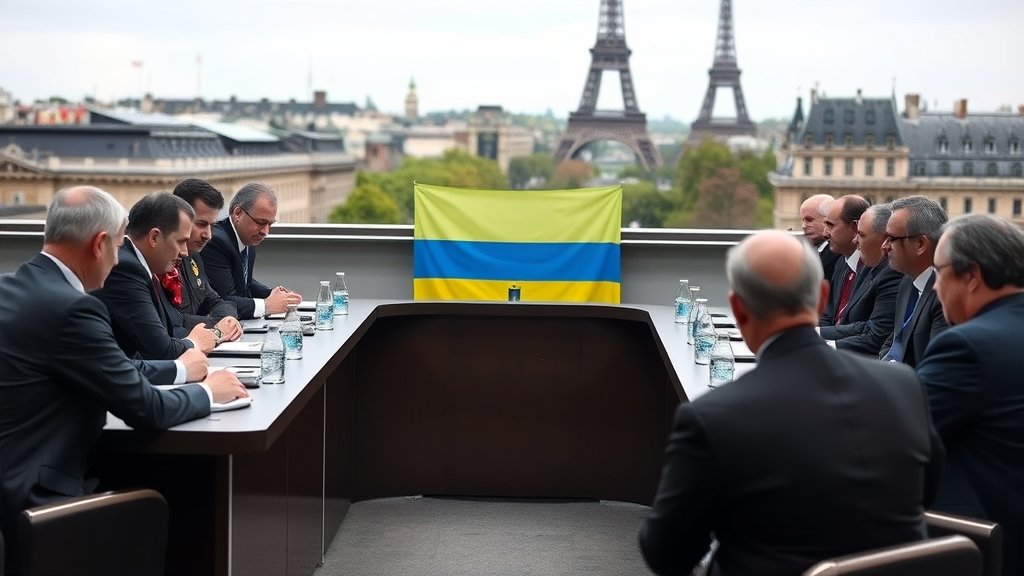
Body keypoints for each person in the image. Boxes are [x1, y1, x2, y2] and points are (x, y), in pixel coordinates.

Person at [639, 230, 943, 576]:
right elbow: (926, 494)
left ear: (738, 309)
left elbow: (666, 552)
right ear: (820, 297)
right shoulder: (905, 387)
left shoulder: (713, 417)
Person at [0, 186, 248, 576]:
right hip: (40, 496)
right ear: (99, 244)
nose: (119, 261)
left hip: (10, 477)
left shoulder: (12, 288)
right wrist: (206, 393)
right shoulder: (74, 308)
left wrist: (181, 369)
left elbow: (111, 366)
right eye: (118, 247)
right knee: (180, 498)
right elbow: (146, 409)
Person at [917, 214, 1024, 576]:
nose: (934, 287)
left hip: (983, 549)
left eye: (938, 272)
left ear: (972, 275)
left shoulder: (966, 346)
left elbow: (901, 436)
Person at [92, 192, 218, 360]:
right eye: (180, 241)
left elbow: (173, 324)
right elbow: (161, 350)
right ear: (154, 237)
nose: (185, 253)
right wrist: (196, 342)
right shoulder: (126, 268)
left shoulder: (144, 265)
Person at [202, 182, 302, 319]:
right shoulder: (215, 241)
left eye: (270, 224)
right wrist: (266, 305)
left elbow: (245, 284)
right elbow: (224, 300)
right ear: (238, 213)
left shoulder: (248, 238)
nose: (265, 232)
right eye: (260, 222)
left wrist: (274, 294)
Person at [819, 204, 901, 355]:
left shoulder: (893, 273)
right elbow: (858, 326)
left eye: (861, 235)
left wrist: (822, 346)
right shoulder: (865, 267)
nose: (855, 240)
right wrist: (816, 334)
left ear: (884, 239)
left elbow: (877, 335)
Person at [879, 195, 948, 366]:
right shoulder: (907, 281)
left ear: (920, 244)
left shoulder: (945, 295)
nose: (884, 246)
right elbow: (893, 341)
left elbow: (935, 366)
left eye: (891, 239)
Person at [171, 179, 242, 341]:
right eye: (201, 224)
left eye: (211, 225)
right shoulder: (156, 264)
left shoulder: (194, 256)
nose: (208, 235)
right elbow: (172, 321)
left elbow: (217, 301)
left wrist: (228, 320)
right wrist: (217, 326)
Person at [819, 194, 870, 325]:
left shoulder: (877, 269)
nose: (825, 234)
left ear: (855, 228)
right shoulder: (841, 263)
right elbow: (828, 316)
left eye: (830, 226)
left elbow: (872, 334)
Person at [800, 194, 841, 284]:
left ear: (828, 220)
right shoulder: (815, 251)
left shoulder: (838, 254)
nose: (803, 226)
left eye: (809, 220)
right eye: (802, 220)